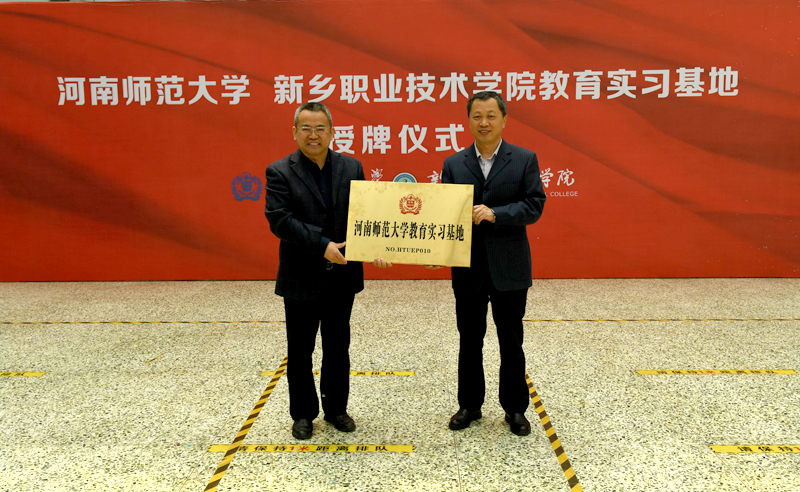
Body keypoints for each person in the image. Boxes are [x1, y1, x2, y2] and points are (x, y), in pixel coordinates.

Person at [265, 102, 391, 440]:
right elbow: (281, 220)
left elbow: (365, 215)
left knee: (337, 347)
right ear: (294, 132)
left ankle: (336, 409)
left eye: (320, 128)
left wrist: (377, 246)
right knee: (300, 350)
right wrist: (322, 245)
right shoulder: (279, 172)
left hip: (342, 276)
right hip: (300, 276)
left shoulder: (352, 166)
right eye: (306, 128)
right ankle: (303, 414)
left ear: (332, 132)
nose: (313, 135)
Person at [438, 91, 546, 436]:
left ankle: (515, 409)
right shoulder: (454, 164)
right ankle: (469, 405)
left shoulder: (524, 159)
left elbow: (534, 205)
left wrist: (496, 214)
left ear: (504, 120)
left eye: (491, 116)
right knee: (470, 339)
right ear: (468, 120)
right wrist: (435, 253)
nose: (484, 123)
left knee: (511, 340)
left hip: (509, 267)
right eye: (477, 116)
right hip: (467, 267)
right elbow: (445, 215)